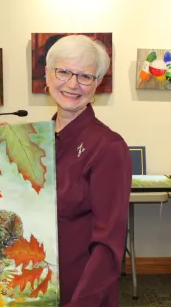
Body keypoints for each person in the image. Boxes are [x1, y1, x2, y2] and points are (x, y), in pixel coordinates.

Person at [45, 34, 132, 306]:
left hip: (81, 293)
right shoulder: (36, 141)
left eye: (85, 76)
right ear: (47, 75)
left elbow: (108, 246)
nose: (72, 84)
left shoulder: (109, 147)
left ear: (97, 84)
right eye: (63, 72)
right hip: (35, 289)